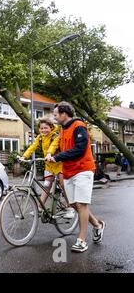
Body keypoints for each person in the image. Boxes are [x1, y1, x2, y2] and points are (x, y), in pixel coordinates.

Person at [46, 101, 105, 253]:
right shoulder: (62, 129)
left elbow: (79, 149)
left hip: (83, 169)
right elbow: (56, 144)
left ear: (64, 114)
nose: (54, 118)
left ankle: (81, 240)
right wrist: (50, 154)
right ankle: (97, 224)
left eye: (56, 115)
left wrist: (58, 157)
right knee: (73, 204)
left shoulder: (78, 126)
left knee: (81, 204)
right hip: (68, 170)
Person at [18, 117, 74, 218]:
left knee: (62, 184)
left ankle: (70, 208)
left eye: (46, 128)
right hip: (49, 166)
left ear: (51, 128)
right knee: (46, 186)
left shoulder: (55, 136)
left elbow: (53, 146)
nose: (43, 130)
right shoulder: (39, 137)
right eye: (41, 128)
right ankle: (40, 208)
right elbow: (32, 147)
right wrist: (24, 156)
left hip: (59, 164)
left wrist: (49, 154)